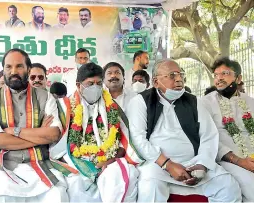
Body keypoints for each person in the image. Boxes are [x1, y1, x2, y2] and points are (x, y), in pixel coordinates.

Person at [126, 59, 241, 202]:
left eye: (181, 74)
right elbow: (138, 139)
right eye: (172, 75)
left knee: (228, 186)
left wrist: (202, 164)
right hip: (157, 165)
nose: (179, 79)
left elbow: (209, 136)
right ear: (156, 82)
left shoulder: (194, 102)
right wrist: (167, 164)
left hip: (194, 163)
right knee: (150, 187)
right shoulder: (140, 102)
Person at [0, 48, 68, 202]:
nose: (13, 71)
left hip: (41, 163)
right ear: (3, 69)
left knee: (57, 195)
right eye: (8, 67)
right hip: (3, 166)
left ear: (28, 69)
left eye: (19, 66)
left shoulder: (45, 97)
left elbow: (53, 134)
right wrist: (40, 135)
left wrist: (14, 131)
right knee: (2, 196)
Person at [56, 62, 142, 202]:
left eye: (99, 83)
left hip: (109, 162)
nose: (95, 88)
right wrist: (86, 164)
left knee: (124, 176)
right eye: (90, 84)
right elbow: (59, 149)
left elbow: (123, 143)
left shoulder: (113, 107)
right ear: (78, 85)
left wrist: (108, 161)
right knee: (75, 184)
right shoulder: (66, 109)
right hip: (77, 163)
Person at [201, 57, 254, 201]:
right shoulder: (205, 103)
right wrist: (239, 161)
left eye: (225, 73)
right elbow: (207, 139)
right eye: (216, 75)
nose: (219, 78)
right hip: (228, 160)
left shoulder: (250, 102)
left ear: (238, 78)